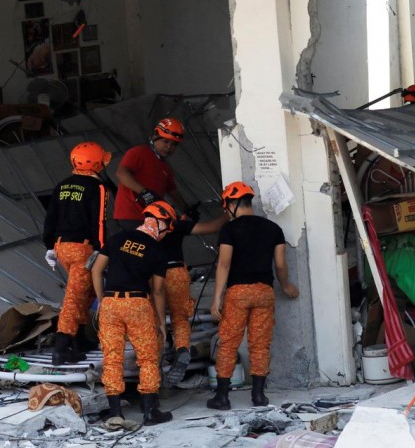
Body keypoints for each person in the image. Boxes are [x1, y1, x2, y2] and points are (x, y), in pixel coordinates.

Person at [207, 182, 299, 411]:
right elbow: (280, 264)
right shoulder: (273, 228)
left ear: (231, 204)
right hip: (264, 292)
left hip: (238, 292)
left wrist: (217, 297)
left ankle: (222, 397)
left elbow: (224, 264)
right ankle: (259, 396)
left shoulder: (229, 229)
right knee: (260, 345)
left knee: (228, 344)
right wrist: (286, 285)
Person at [92, 201, 176, 425]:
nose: (166, 234)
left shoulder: (118, 238)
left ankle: (115, 413)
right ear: (161, 224)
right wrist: (160, 321)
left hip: (111, 303)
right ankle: (150, 413)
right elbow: (158, 291)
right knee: (148, 358)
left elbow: (96, 270)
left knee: (111, 358)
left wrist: (102, 300)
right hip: (138, 303)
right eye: (167, 229)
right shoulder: (158, 251)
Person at [42, 142, 111, 366]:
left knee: (87, 291)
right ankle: (61, 347)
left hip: (62, 247)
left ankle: (80, 340)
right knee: (73, 298)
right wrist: (102, 247)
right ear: (98, 163)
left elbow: (50, 217)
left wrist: (49, 245)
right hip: (83, 248)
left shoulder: (61, 185)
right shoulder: (97, 187)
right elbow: (99, 221)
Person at [161, 209, 227, 387]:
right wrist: (228, 210)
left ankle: (156, 357)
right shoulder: (176, 224)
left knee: (153, 318)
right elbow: (213, 227)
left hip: (153, 274)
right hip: (176, 272)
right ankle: (182, 348)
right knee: (180, 317)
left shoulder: (143, 230)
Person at [114, 117, 189, 231]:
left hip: (152, 220)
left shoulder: (165, 167)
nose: (169, 147)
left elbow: (173, 192)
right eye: (166, 141)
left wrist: (187, 209)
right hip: (131, 218)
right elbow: (121, 173)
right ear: (154, 136)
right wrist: (144, 192)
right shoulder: (139, 152)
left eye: (174, 144)